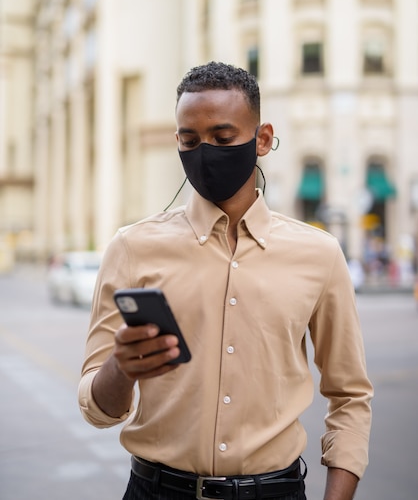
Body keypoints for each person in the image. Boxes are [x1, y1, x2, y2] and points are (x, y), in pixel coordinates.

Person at [78, 61, 373, 500]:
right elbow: (97, 410)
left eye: (222, 137)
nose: (204, 152)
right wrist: (123, 367)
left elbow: (349, 396)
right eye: (189, 140)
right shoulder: (132, 247)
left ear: (263, 139)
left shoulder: (320, 254)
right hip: (157, 491)